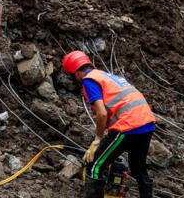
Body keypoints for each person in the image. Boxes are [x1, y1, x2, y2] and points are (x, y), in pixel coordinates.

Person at [62, 51, 155, 198]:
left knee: (96, 166)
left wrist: (98, 139)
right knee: (138, 169)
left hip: (128, 126)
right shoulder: (105, 75)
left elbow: (102, 113)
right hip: (146, 123)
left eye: (72, 75)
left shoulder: (89, 80)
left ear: (76, 72)